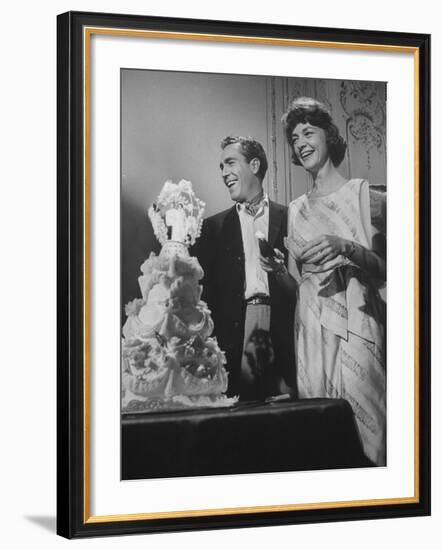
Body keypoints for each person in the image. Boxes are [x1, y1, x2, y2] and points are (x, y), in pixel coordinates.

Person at [261, 98, 386, 466]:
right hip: (311, 329)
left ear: (329, 136)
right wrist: (280, 272)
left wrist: (345, 246)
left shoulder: (363, 193)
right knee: (321, 433)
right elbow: (299, 286)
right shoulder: (295, 208)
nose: (300, 142)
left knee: (370, 429)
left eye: (308, 132)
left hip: (357, 324)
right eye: (294, 137)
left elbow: (386, 268)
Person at [196, 136, 295, 401]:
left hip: (284, 330)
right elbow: (204, 298)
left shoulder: (290, 217)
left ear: (254, 164)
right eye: (221, 167)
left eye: (230, 163)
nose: (224, 173)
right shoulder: (212, 228)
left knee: (286, 417)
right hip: (234, 332)